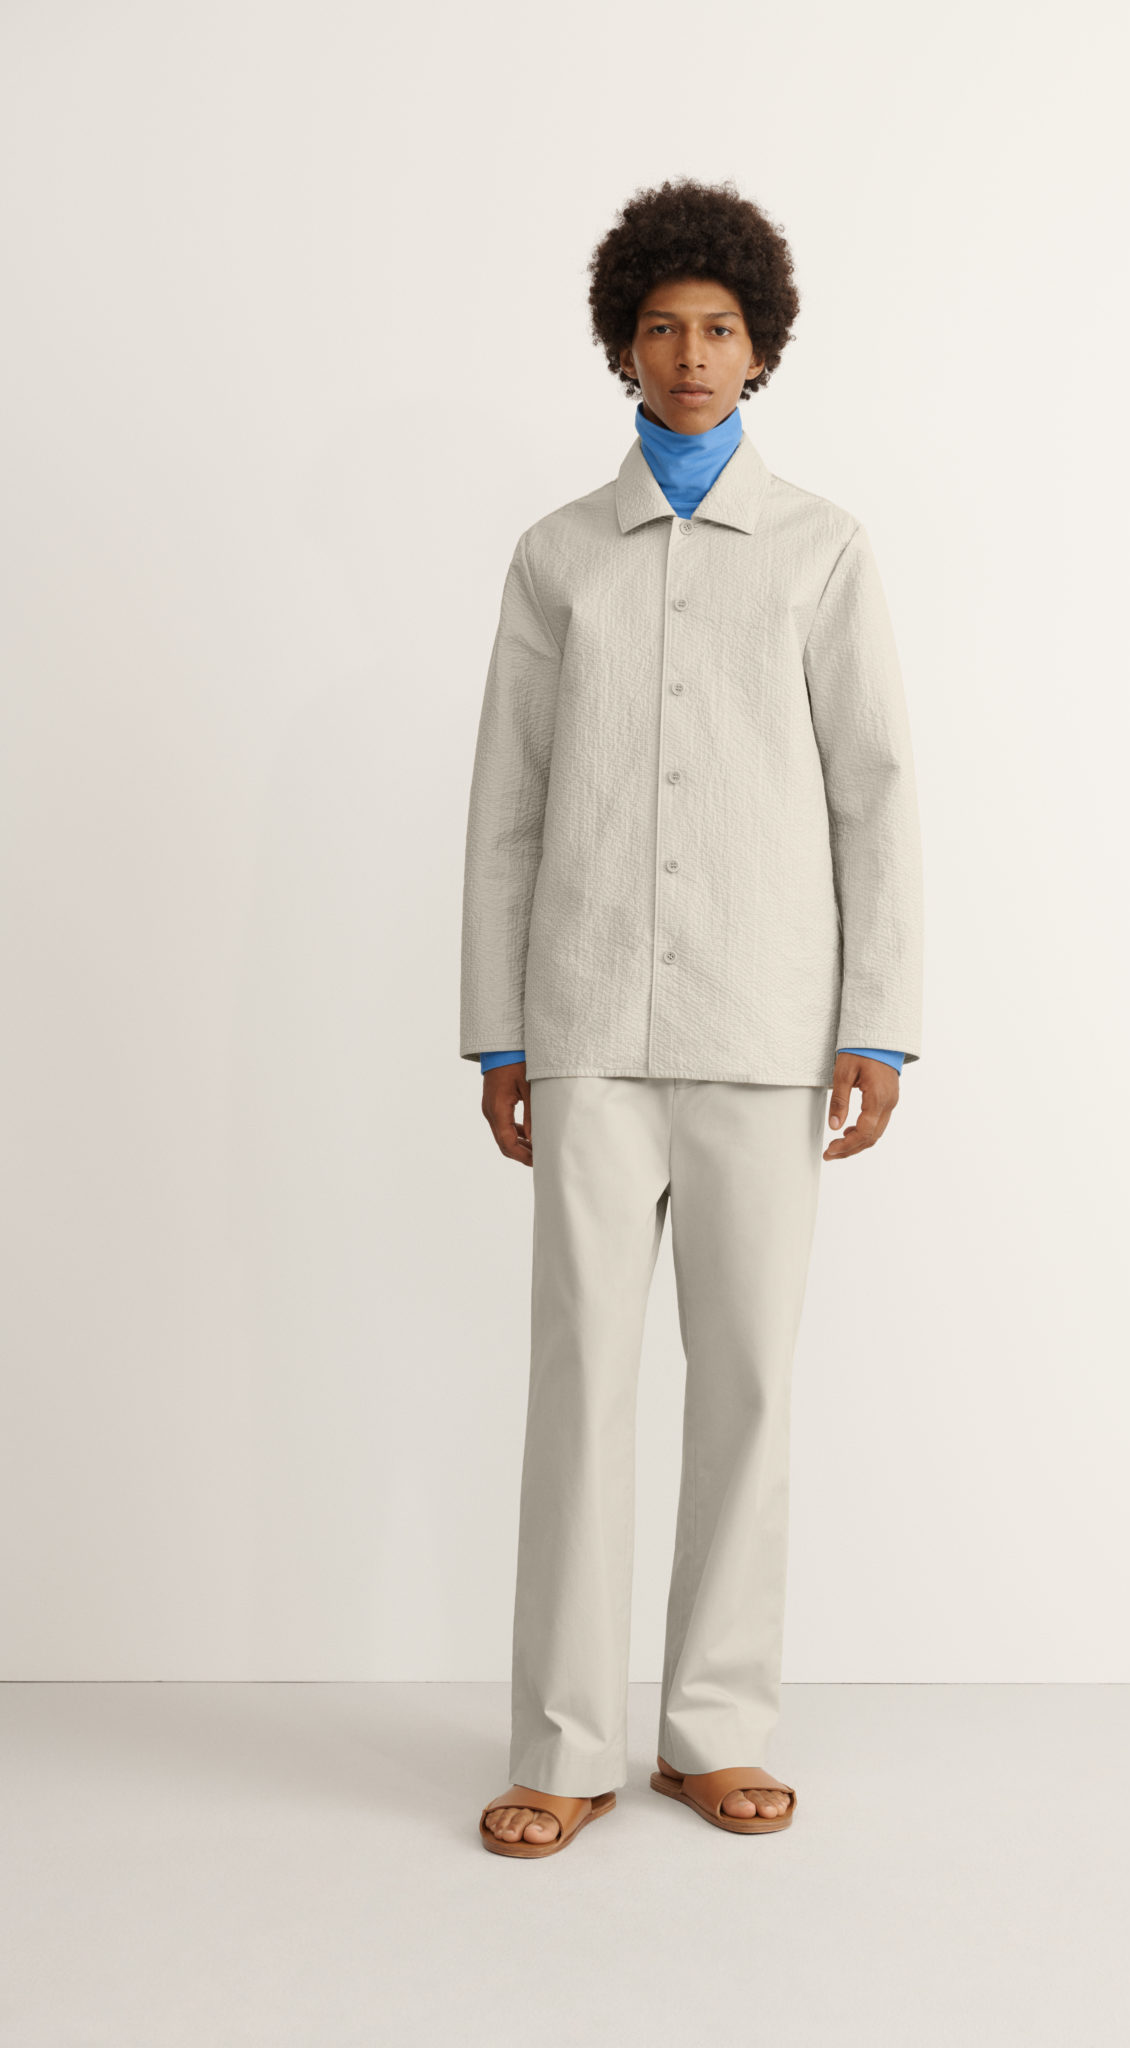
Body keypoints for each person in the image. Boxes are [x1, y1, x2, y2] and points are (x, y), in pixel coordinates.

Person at [461, 177, 924, 1858]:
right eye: (660, 327)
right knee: (579, 1387)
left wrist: (877, 1022)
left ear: (760, 346)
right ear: (622, 345)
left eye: (718, 327)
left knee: (745, 1389)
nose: (689, 354)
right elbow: (507, 806)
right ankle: (564, 1746)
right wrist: (500, 1033)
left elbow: (874, 790)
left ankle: (714, 1730)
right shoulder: (556, 556)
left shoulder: (822, 550)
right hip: (586, 1027)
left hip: (764, 1028)